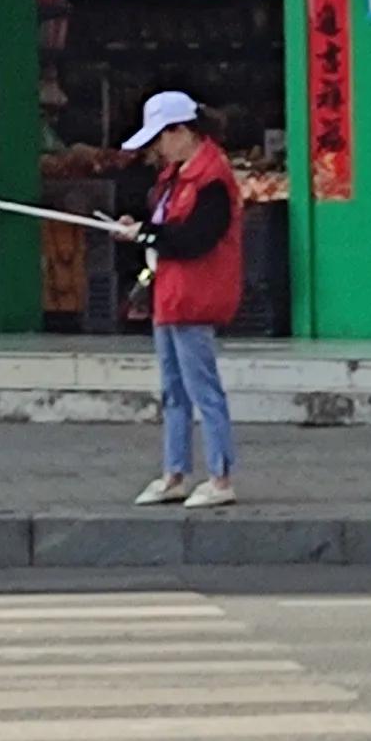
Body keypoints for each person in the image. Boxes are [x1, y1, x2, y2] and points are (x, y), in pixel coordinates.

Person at [125, 90, 241, 509]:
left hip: (195, 296)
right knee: (173, 391)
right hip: (170, 295)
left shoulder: (212, 179)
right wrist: (141, 231)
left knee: (203, 390)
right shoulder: (176, 177)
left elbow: (197, 239)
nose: (158, 147)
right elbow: (167, 232)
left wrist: (149, 234)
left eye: (162, 136)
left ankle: (220, 477)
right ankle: (174, 473)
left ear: (183, 131)